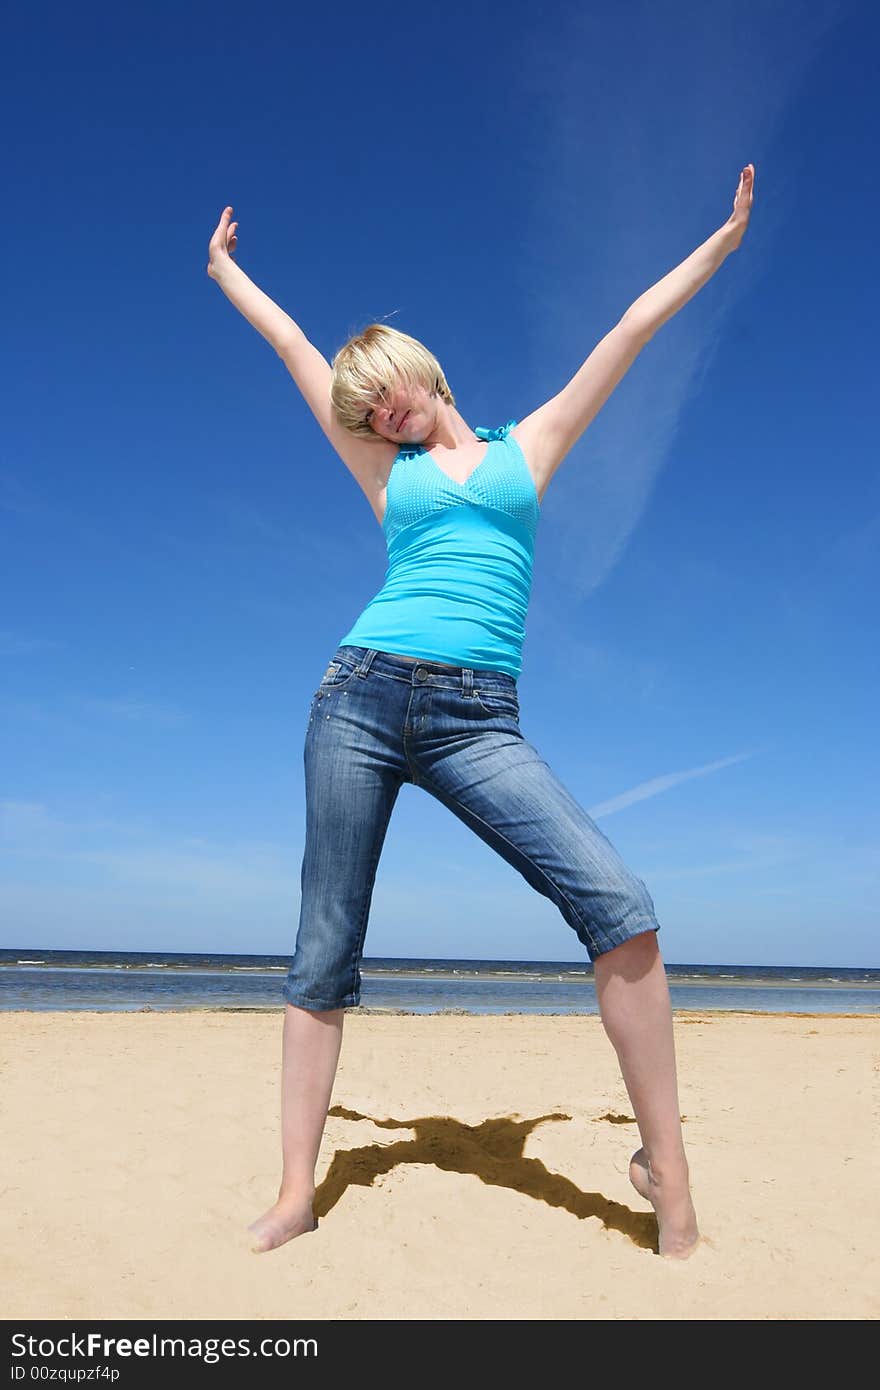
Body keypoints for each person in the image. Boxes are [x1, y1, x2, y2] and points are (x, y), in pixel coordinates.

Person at [206, 165, 755, 1261]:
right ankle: (293, 1189)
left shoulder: (529, 445)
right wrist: (224, 268)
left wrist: (722, 243)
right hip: (357, 698)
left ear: (421, 367)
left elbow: (630, 331)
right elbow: (290, 350)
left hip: (476, 717)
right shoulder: (380, 466)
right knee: (324, 947)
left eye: (387, 389)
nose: (380, 408)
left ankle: (667, 1173)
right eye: (364, 406)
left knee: (622, 907)